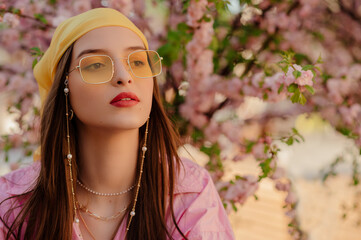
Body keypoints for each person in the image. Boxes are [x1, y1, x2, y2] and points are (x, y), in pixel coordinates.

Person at [0, 8, 235, 240]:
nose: (124, 75)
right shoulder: (11, 201)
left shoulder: (189, 192)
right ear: (64, 86)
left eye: (138, 62)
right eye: (96, 65)